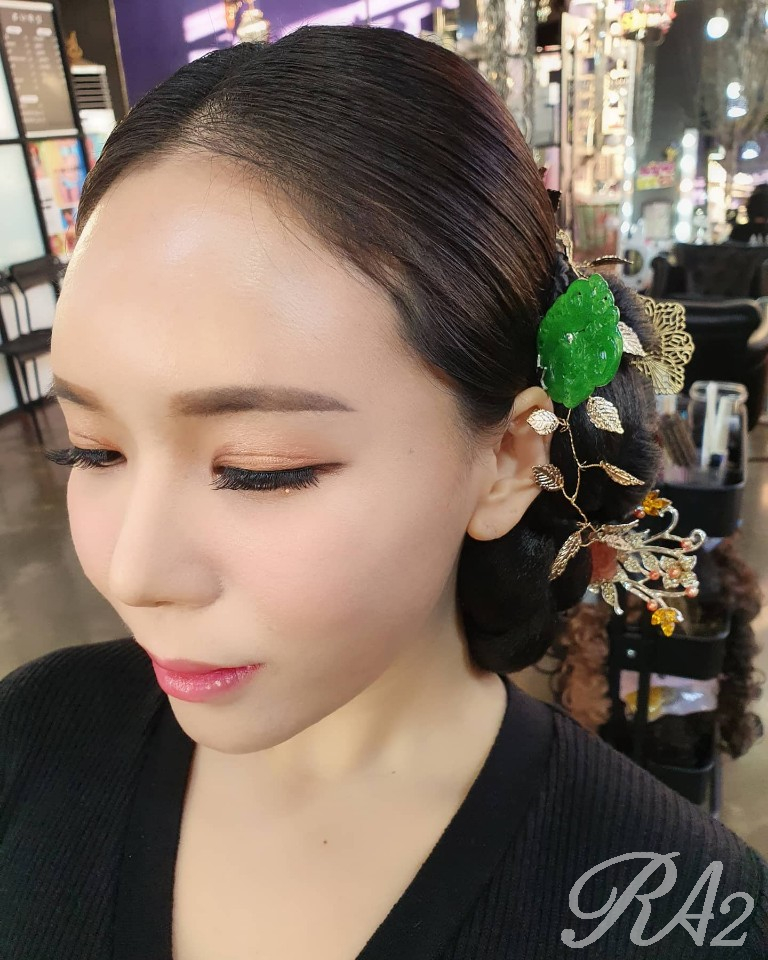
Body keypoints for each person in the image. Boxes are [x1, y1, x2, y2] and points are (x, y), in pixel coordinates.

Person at [1, 25, 766, 960]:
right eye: (92, 452)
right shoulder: (31, 740)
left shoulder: (681, 913)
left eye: (260, 468)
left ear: (508, 459)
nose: (133, 572)